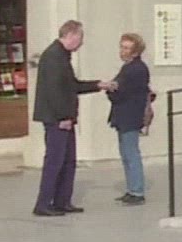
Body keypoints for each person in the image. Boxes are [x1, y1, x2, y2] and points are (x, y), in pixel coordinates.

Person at [30, 20, 112, 218]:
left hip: (65, 118)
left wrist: (98, 85)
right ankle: (43, 203)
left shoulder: (62, 56)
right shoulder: (53, 56)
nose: (81, 42)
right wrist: (63, 117)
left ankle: (62, 201)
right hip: (57, 119)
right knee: (55, 161)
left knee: (68, 161)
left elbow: (71, 86)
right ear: (71, 35)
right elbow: (54, 91)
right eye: (80, 37)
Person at [106, 32, 153, 205]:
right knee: (126, 153)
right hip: (125, 115)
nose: (123, 51)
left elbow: (120, 91)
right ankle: (132, 188)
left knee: (131, 153)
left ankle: (137, 191)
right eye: (122, 47)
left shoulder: (135, 69)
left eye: (127, 48)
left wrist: (111, 90)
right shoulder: (130, 67)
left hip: (130, 116)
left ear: (135, 51)